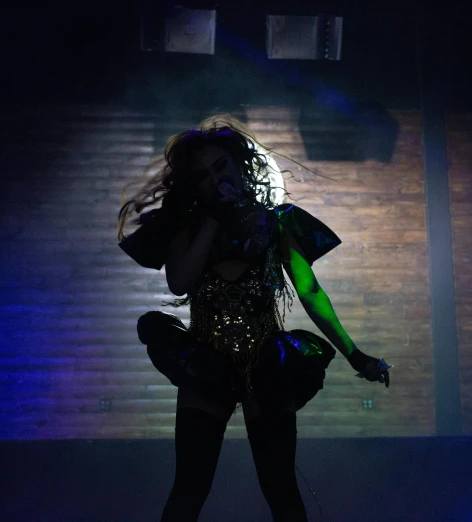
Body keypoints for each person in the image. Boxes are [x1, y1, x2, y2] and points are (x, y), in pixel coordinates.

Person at [117, 115, 390, 522]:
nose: (214, 179)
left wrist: (354, 355)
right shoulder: (188, 228)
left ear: (240, 165)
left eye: (220, 166)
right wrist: (212, 217)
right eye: (202, 176)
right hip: (206, 364)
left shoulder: (276, 223)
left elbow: (310, 292)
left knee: (280, 488)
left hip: (268, 365)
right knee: (190, 488)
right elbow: (179, 282)